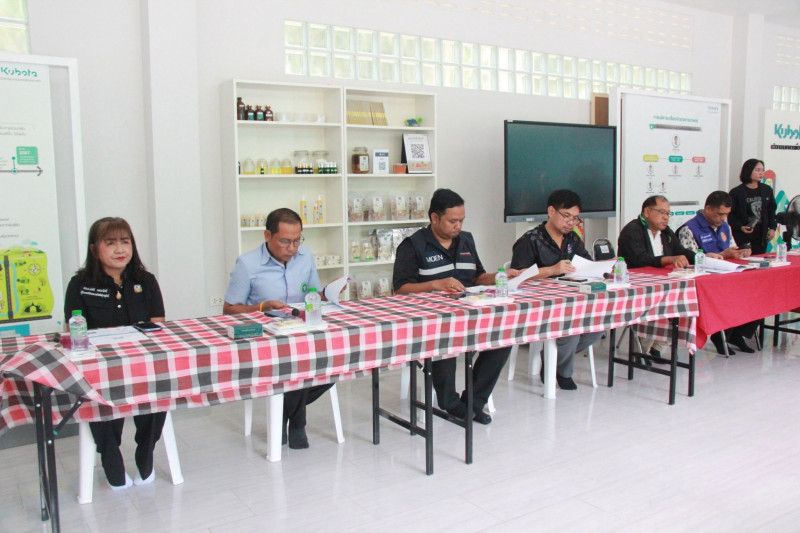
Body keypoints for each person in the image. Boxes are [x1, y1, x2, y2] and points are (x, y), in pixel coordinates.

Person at [392, 189, 517, 423]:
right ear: (434, 218)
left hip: (470, 313)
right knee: (446, 340)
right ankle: (450, 403)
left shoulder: (466, 240)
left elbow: (477, 277)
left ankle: (473, 403)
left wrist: (499, 276)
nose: (458, 226)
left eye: (461, 220)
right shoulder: (413, 245)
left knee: (503, 337)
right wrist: (435, 284)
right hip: (434, 321)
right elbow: (400, 289)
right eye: (452, 221)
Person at [64, 217, 166, 490]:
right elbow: (74, 332)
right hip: (99, 368)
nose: (120, 249)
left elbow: (158, 327)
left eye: (125, 242)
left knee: (161, 389)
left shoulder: (146, 281)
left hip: (142, 364)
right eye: (111, 243)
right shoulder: (80, 284)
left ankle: (146, 452)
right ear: (94, 249)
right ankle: (110, 457)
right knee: (95, 397)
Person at [223, 208, 332, 449]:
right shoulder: (247, 264)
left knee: (336, 360)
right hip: (267, 340)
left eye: (297, 241)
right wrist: (261, 307)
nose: (292, 248)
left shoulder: (305, 256)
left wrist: (328, 293)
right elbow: (229, 309)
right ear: (267, 236)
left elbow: (313, 295)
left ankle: (283, 415)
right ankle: (297, 424)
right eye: (284, 241)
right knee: (296, 363)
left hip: (301, 332)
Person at [509, 189, 604, 390]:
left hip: (571, 300)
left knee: (598, 327)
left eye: (575, 218)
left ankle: (552, 358)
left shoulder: (572, 239)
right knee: (571, 330)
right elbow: (517, 275)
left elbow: (586, 263)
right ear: (551, 211)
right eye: (566, 216)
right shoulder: (530, 240)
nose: (571, 222)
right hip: (538, 304)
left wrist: (600, 268)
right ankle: (562, 373)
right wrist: (552, 270)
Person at [617, 195, 703, 359]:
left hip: (665, 282)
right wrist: (669, 259)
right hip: (638, 285)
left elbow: (681, 251)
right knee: (659, 302)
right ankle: (640, 351)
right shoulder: (632, 230)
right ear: (647, 212)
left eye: (668, 213)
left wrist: (704, 258)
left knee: (686, 300)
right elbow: (639, 260)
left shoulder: (666, 232)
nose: (666, 217)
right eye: (662, 212)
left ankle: (658, 347)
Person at [676, 191, 757, 354]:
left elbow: (731, 248)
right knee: (734, 295)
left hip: (727, 275)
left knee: (756, 291)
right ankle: (721, 334)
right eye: (720, 214)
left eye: (726, 214)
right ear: (708, 209)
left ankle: (736, 333)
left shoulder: (725, 227)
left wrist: (740, 252)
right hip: (704, 281)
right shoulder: (689, 229)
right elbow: (689, 260)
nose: (723, 218)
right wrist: (722, 255)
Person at [728, 158, 777, 256]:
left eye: (762, 170)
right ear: (748, 171)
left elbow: (771, 211)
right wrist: (740, 227)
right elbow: (731, 215)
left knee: (759, 259)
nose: (761, 173)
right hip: (743, 235)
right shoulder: (736, 192)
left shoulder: (766, 190)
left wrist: (772, 228)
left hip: (762, 235)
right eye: (757, 170)